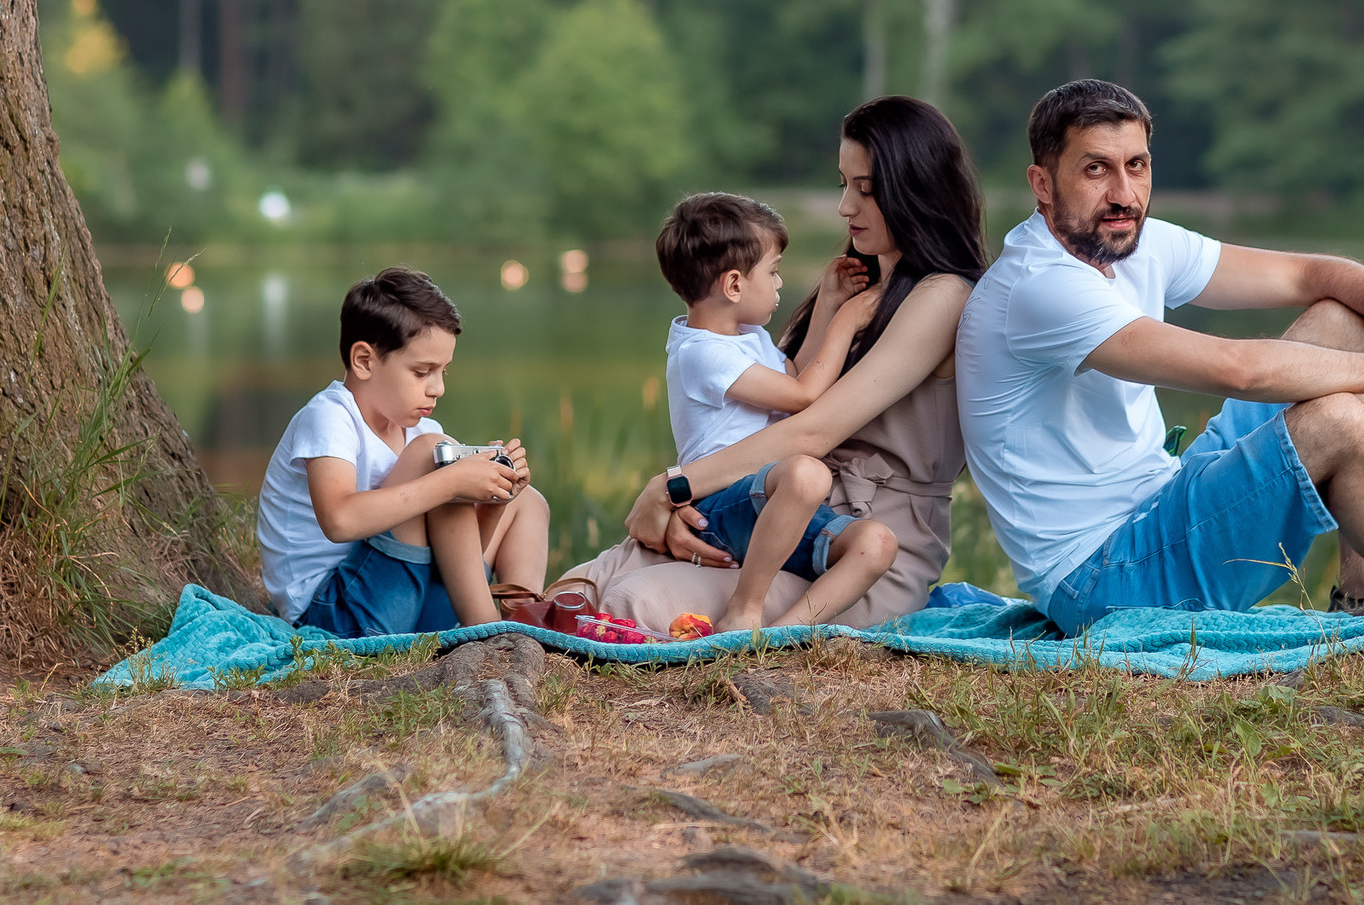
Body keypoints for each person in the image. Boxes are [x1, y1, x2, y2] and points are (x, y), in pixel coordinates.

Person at [956, 79, 1364, 635]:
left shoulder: (1136, 243)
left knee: (1344, 323)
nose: (1124, 193)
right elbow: (1236, 369)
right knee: (1337, 425)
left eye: (1137, 166)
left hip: (1161, 502)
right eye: (1096, 170)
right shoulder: (1039, 286)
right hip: (1102, 578)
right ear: (1042, 185)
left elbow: (1308, 273)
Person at [552, 97, 989, 632]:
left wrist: (671, 486)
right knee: (571, 592)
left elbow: (813, 428)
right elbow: (773, 408)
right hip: (768, 511)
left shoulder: (942, 295)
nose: (845, 207)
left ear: (917, 190)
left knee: (631, 603)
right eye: (843, 185)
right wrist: (691, 508)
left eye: (866, 189)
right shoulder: (854, 286)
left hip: (863, 545)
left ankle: (770, 637)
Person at [653, 192, 899, 632]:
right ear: (733, 286)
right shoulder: (701, 353)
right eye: (773, 272)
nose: (779, 283)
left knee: (876, 542)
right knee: (807, 474)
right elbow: (805, 395)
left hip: (774, 508)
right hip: (723, 506)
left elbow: (796, 377)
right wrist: (846, 321)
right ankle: (743, 611)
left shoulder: (745, 335)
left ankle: (786, 634)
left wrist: (827, 302)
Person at [256, 267, 548, 635]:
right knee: (436, 455)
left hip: (407, 601)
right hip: (336, 614)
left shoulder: (423, 431)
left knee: (529, 502)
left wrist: (494, 499)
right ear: (364, 361)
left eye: (443, 371)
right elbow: (339, 520)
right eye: (422, 372)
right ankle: (488, 632)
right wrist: (450, 480)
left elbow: (458, 558)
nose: (437, 388)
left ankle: (525, 621)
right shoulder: (330, 416)